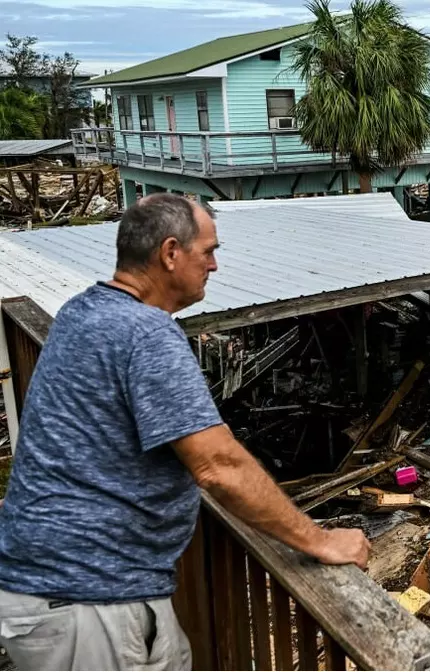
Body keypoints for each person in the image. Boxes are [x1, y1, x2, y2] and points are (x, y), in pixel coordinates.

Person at [0, 194, 370, 670]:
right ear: (171, 253)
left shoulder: (82, 311)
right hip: (85, 595)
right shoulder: (146, 333)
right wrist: (319, 539)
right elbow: (217, 465)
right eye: (208, 251)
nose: (215, 265)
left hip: (62, 583)